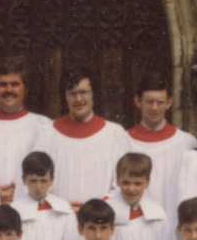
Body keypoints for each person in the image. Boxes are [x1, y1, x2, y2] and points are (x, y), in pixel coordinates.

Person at [29, 68, 131, 209]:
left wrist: (94, 210)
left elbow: (123, 182)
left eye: (83, 92)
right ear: (65, 96)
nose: (78, 99)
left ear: (93, 94)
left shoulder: (114, 134)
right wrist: (62, 207)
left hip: (101, 222)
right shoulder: (47, 133)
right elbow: (34, 178)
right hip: (57, 218)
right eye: (72, 93)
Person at [0, 57, 50, 204]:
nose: (9, 90)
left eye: (15, 84)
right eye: (3, 84)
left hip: (31, 208)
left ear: (26, 88)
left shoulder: (43, 126)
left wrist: (22, 193)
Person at [125, 73, 197, 223]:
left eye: (160, 102)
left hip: (173, 223)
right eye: (149, 102)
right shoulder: (124, 140)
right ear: (138, 101)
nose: (154, 108)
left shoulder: (186, 142)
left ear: (169, 102)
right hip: (135, 224)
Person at [103, 153, 172, 240]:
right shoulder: (105, 212)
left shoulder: (157, 215)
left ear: (147, 182)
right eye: (126, 183)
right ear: (117, 181)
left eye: (138, 183)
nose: (131, 189)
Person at [11, 151, 81, 240]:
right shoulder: (14, 211)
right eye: (33, 181)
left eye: (43, 181)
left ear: (52, 180)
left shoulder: (63, 211)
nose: (38, 187)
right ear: (24, 179)